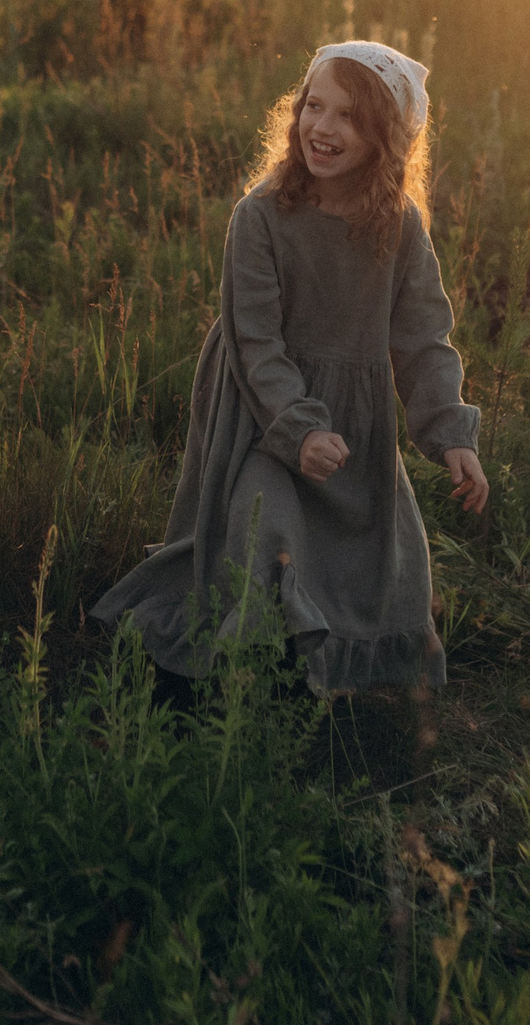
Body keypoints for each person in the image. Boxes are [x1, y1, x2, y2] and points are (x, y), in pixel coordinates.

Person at [92, 40, 486, 691]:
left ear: (386, 138)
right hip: (262, 411)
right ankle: (242, 686)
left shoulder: (400, 226)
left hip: (355, 421)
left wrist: (450, 434)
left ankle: (335, 685)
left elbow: (423, 338)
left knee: (381, 560)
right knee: (263, 525)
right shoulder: (262, 215)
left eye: (349, 116)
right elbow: (256, 342)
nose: (322, 127)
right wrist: (299, 428)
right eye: (314, 106)